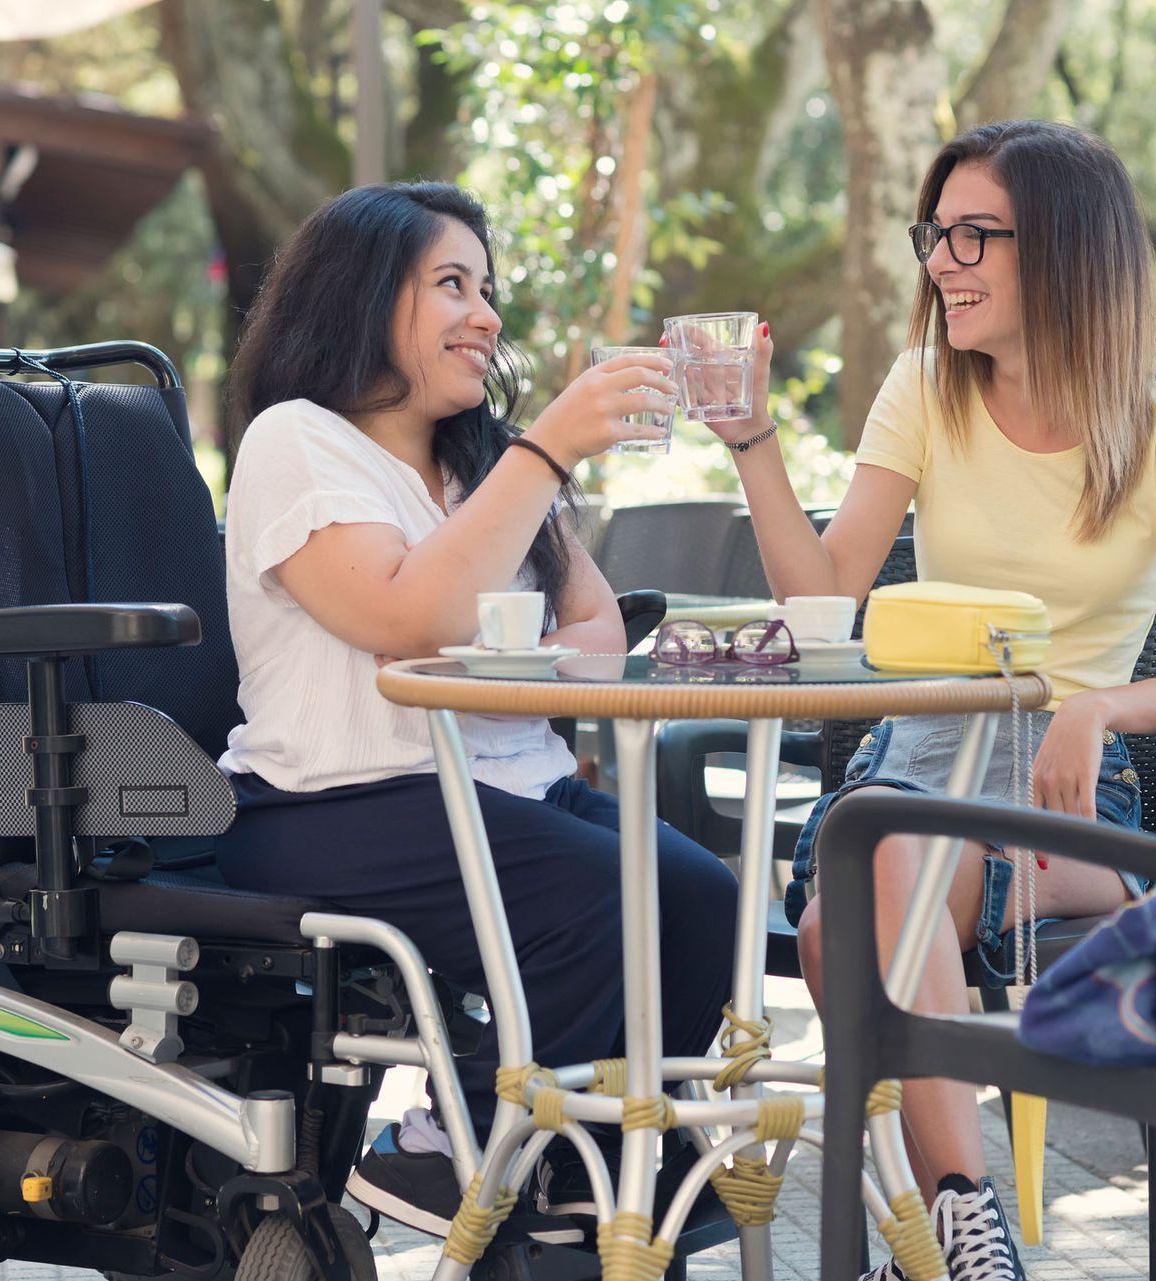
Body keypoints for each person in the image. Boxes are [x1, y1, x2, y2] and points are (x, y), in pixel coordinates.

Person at [706, 121, 1156, 1280]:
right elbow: (824, 602)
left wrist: (1106, 704)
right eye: (935, 235)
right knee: (881, 865)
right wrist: (755, 440)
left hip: (1076, 787)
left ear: (1063, 249)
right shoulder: (924, 390)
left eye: (974, 236)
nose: (943, 262)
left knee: (841, 927)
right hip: (916, 765)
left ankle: (916, 1228)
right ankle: (968, 1226)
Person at [211, 182, 739, 1242]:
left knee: (698, 894)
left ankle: (614, 1171)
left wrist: (512, 611)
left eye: (487, 289)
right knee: (597, 897)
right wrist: (547, 453)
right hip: (336, 800)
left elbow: (597, 624)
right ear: (362, 297)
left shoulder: (479, 465)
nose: (487, 316)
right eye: (453, 284)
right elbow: (408, 618)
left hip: (511, 783)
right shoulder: (298, 443)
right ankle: (449, 1153)